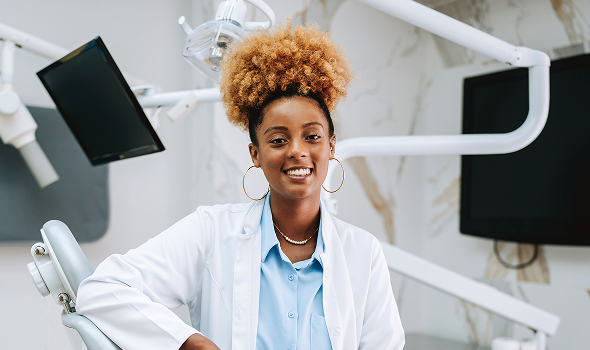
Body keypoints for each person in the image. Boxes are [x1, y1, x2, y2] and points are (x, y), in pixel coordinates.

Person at [76, 21, 404, 350]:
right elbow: (101, 289)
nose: (297, 150)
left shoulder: (363, 253)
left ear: (331, 146)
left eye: (312, 136)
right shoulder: (211, 233)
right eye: (278, 140)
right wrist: (191, 343)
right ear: (255, 154)